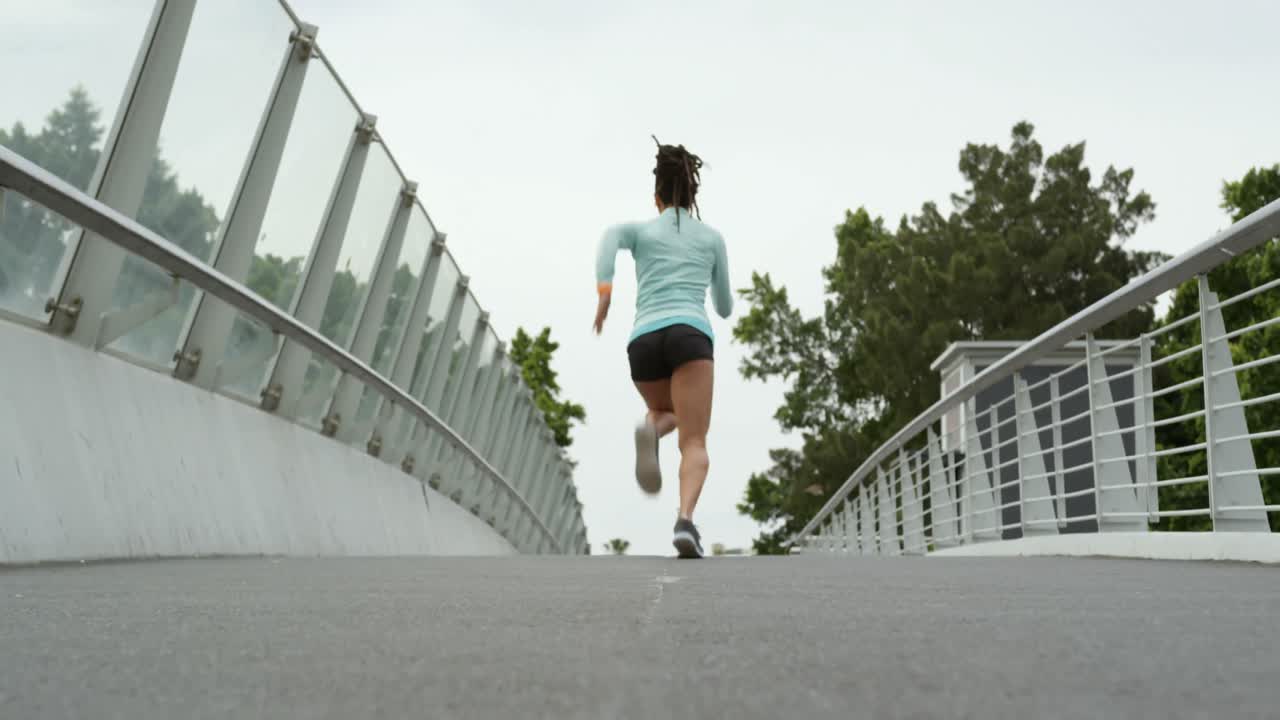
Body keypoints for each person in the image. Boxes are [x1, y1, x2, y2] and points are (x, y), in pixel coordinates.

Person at [593, 138, 732, 559]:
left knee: (665, 412)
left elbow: (607, 239)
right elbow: (724, 308)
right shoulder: (711, 238)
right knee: (694, 441)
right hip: (690, 335)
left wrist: (605, 293)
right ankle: (685, 522)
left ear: (656, 198)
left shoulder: (639, 231)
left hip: (644, 341)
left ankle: (650, 429)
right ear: (692, 197)